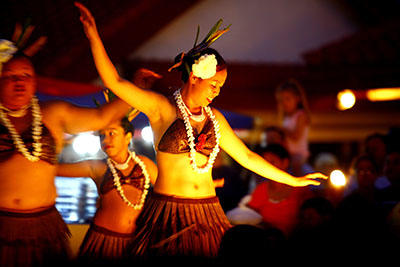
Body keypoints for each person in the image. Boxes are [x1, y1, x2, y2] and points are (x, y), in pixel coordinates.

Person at [75, 2, 327, 259]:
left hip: (208, 212)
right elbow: (114, 82)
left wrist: (292, 180)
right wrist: (94, 36)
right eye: (214, 83)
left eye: (221, 86)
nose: (217, 90)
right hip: (168, 213)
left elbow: (248, 158)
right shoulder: (162, 108)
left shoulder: (214, 118)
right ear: (195, 77)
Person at [0, 41, 130, 265]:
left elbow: (101, 117)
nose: (19, 82)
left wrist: (135, 88)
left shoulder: (53, 114)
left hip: (44, 226)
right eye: (10, 76)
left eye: (26, 75)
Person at [57, 116, 157, 264]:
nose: (105, 140)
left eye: (112, 133)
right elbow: (52, 170)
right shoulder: (98, 168)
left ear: (127, 137)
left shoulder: (145, 165)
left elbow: (164, 196)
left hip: (137, 243)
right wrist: (58, 142)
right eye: (101, 135)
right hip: (102, 242)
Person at [247, 144, 314, 236]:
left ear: (285, 162)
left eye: (272, 162)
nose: (268, 167)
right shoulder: (261, 189)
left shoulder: (300, 189)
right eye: (265, 163)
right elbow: (250, 215)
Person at [275, 78, 311, 176]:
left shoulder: (301, 116)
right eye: (281, 100)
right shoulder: (285, 118)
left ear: (297, 99)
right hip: (288, 155)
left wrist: (281, 129)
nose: (284, 103)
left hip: (298, 155)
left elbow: (296, 136)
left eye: (288, 99)